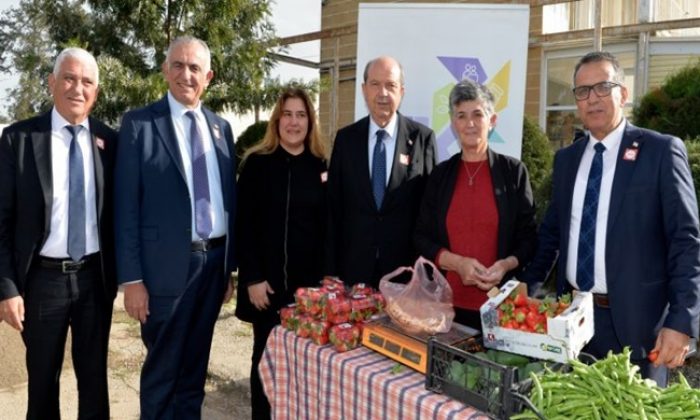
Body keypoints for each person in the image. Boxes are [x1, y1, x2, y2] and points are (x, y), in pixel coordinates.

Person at [522, 51, 700, 386]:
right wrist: (526, 288)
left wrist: (681, 321)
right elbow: (551, 235)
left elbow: (685, 241)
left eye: (603, 87)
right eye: (582, 91)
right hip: (573, 321)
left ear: (623, 93)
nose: (593, 99)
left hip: (638, 325)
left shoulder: (660, 152)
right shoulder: (566, 160)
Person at [114, 36, 237, 418]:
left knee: (193, 373)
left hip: (212, 266)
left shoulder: (221, 129)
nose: (186, 74)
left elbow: (228, 200)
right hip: (164, 272)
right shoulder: (140, 125)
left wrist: (228, 267)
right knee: (162, 375)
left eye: (195, 68)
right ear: (165, 70)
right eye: (179, 65)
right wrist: (132, 279)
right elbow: (125, 208)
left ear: (209, 77)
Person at [0, 47, 117, 420]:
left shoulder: (110, 143)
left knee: (95, 383)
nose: (77, 88)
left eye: (86, 82)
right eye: (68, 78)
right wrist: (7, 289)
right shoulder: (18, 140)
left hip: (94, 281)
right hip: (41, 283)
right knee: (42, 385)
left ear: (96, 92)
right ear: (52, 83)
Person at [235, 87, 328, 419]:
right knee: (266, 365)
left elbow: (325, 231)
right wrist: (253, 278)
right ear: (277, 120)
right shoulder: (256, 165)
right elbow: (243, 227)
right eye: (287, 114)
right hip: (267, 290)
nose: (294, 122)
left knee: (304, 370)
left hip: (307, 295)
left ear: (310, 121)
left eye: (301, 115)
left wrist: (322, 287)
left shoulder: (321, 167)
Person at [414, 79, 537, 330]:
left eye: (477, 114)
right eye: (461, 115)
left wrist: (504, 265)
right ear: (453, 123)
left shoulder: (513, 172)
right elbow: (420, 237)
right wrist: (456, 263)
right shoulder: (440, 175)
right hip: (445, 310)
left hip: (501, 308)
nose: (469, 123)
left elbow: (529, 238)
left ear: (492, 121)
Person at [327, 56, 437, 288]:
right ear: (364, 90)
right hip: (353, 269)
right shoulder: (346, 139)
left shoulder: (422, 138)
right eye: (375, 84)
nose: (383, 93)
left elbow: (430, 212)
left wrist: (426, 273)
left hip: (405, 274)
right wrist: (330, 270)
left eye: (391, 85)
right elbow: (334, 207)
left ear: (402, 92)